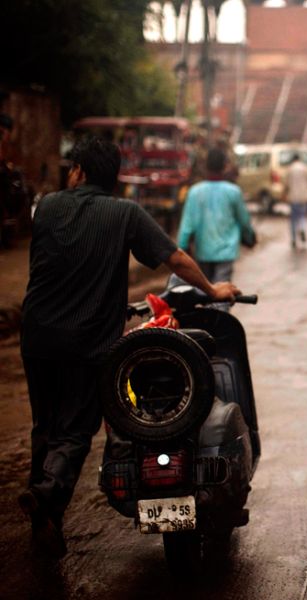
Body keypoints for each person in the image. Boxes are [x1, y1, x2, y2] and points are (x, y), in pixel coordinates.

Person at [18, 136, 240, 557]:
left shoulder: (47, 206)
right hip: (88, 342)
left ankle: (44, 519)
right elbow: (174, 259)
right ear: (112, 176)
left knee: (44, 425)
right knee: (76, 428)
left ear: (79, 171)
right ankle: (46, 494)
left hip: (38, 335)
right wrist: (214, 288)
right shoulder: (125, 213)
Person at [176, 147, 255, 308]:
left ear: (205, 166)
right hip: (225, 253)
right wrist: (250, 238)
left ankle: (209, 328)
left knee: (205, 294)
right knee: (222, 297)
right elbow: (244, 221)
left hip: (202, 252)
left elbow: (186, 225)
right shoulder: (233, 192)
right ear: (225, 166)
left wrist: (182, 249)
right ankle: (219, 329)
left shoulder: (195, 192)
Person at [285, 153, 307, 249]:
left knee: (293, 219)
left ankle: (293, 239)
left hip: (293, 197)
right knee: (302, 216)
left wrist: (284, 193)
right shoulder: (304, 168)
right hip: (304, 197)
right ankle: (302, 228)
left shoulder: (290, 169)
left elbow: (286, 183)